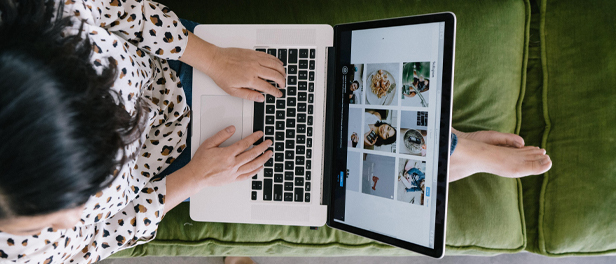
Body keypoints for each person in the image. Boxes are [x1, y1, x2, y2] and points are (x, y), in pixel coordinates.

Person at [0, 0, 552, 263]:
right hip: (173, 169)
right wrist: (191, 180)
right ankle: (451, 153)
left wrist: (211, 56)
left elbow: (122, 13)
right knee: (338, 174)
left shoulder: (37, 17)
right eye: (53, 220)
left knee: (334, 88)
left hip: (180, 69)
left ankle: (449, 146)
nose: (71, 220)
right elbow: (99, 239)